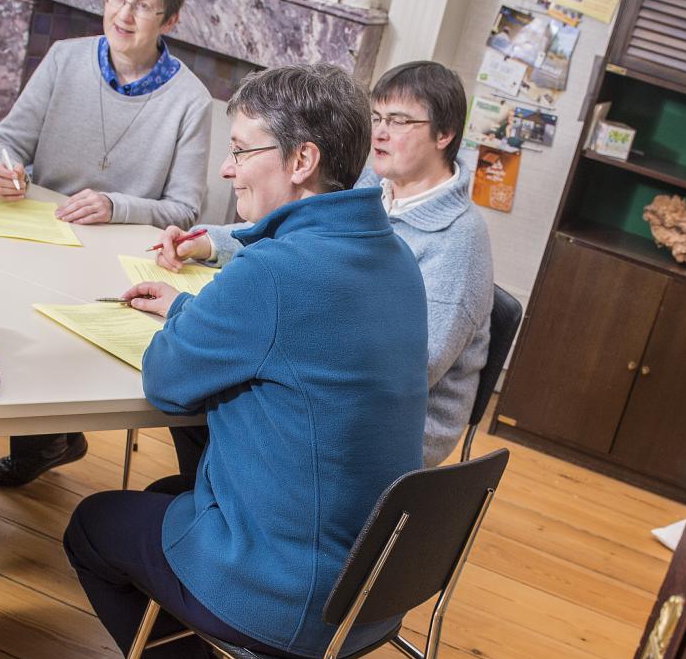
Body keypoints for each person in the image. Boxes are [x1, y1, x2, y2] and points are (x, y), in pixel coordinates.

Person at [57, 63, 427, 659]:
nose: (228, 169)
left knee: (94, 526)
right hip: (372, 579)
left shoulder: (272, 272)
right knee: (172, 487)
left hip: (295, 593)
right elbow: (288, 341)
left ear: (301, 160)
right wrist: (196, 309)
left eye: (242, 149)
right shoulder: (393, 256)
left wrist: (199, 313)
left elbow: (168, 378)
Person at [153, 60, 494, 472]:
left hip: (381, 434)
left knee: (209, 383)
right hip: (327, 386)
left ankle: (224, 508)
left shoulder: (460, 238)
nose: (380, 132)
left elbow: (413, 370)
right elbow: (295, 222)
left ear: (445, 134)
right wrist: (208, 241)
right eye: (377, 117)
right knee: (217, 379)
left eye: (400, 121)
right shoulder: (370, 188)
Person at [0, 0, 211, 488]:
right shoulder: (64, 58)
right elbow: (6, 140)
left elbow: (184, 209)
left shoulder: (191, 101)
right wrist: (4, 168)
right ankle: (46, 438)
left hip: (119, 256)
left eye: (142, 5)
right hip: (38, 232)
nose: (123, 15)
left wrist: (116, 205)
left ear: (169, 19)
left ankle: (49, 438)